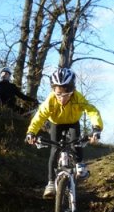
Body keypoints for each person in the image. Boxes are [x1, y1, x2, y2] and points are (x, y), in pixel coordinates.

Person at [24, 68, 103, 198]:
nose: (62, 97)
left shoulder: (77, 97)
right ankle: (50, 183)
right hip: (56, 123)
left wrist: (96, 128)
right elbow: (39, 117)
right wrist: (31, 132)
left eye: (66, 93)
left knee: (76, 142)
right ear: (53, 90)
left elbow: (91, 111)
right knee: (55, 149)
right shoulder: (50, 100)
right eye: (58, 93)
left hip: (73, 122)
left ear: (72, 89)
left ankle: (79, 165)